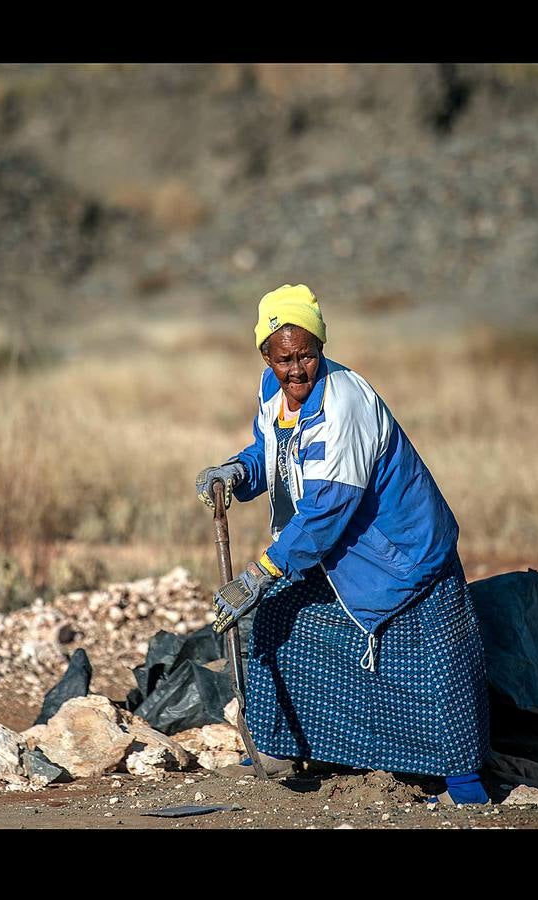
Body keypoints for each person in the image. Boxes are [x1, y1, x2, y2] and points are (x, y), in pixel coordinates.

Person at [195, 283, 491, 804]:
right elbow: (274, 450)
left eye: (307, 355)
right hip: (344, 553)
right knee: (276, 621)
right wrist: (239, 470)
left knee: (430, 667)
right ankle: (276, 746)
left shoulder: (344, 402)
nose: (297, 369)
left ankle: (463, 784)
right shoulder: (272, 390)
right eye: (284, 358)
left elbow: (329, 509)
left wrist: (262, 571)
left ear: (322, 349)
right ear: (265, 355)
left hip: (403, 554)